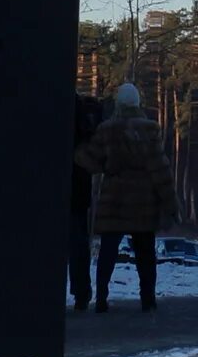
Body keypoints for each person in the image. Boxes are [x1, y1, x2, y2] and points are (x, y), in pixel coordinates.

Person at [75, 82, 175, 312]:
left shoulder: (107, 129)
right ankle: (147, 299)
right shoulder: (149, 130)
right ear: (138, 103)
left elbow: (89, 160)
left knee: (108, 251)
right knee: (145, 253)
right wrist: (170, 202)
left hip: (114, 198)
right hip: (143, 200)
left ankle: (101, 298)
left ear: (118, 103)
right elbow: (161, 170)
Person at [66, 91, 106, 309]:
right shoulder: (83, 111)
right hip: (79, 187)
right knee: (78, 243)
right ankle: (81, 292)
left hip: (58, 186)